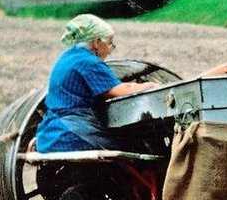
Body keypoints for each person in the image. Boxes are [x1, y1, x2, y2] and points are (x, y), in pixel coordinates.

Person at [35, 14, 154, 152]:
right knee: (135, 146)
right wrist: (149, 86)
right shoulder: (88, 62)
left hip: (51, 133)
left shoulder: (66, 58)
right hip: (73, 133)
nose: (110, 51)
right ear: (97, 42)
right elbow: (117, 91)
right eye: (110, 43)